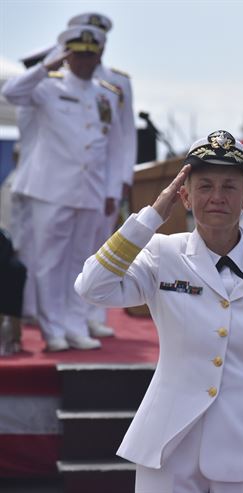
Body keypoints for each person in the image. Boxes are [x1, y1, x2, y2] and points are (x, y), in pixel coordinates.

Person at [75, 130, 243, 493]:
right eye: (204, 186)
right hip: (169, 448)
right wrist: (149, 218)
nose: (217, 198)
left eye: (229, 187)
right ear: (185, 196)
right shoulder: (162, 254)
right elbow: (92, 287)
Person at [2, 25, 125, 351]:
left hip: (91, 190)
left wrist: (112, 190)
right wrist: (47, 66)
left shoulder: (107, 94)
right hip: (51, 190)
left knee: (83, 261)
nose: (84, 60)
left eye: (90, 54)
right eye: (77, 54)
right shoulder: (46, 87)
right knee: (50, 262)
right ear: (67, 55)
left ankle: (74, 324)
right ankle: (53, 328)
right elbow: (10, 93)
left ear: (99, 55)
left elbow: (112, 147)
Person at [67, 12, 137, 339]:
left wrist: (121, 180)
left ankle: (94, 314)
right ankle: (69, 314)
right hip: (74, 177)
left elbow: (124, 137)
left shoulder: (117, 83)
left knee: (101, 248)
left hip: (105, 179)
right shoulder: (69, 80)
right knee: (69, 251)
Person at [5, 46, 57, 323]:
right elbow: (11, 91)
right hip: (33, 182)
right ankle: (27, 310)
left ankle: (31, 309)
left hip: (38, 182)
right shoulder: (34, 93)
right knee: (32, 251)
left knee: (38, 251)